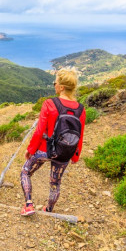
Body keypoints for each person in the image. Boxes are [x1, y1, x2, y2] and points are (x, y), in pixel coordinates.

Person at [20, 68, 86, 216]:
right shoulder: (81, 109)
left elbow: (39, 131)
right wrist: (75, 156)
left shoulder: (49, 104)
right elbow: (80, 135)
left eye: (55, 82)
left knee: (25, 172)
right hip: (64, 152)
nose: (54, 85)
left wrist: (30, 150)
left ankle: (29, 205)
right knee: (55, 183)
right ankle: (48, 209)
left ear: (61, 87)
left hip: (45, 149)